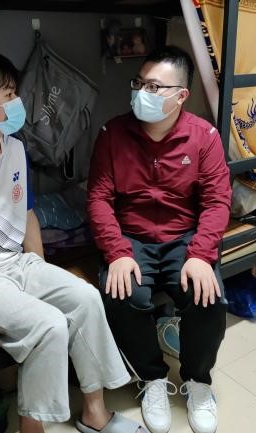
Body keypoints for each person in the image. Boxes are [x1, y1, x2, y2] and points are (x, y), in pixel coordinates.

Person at [0, 50, 147, 433]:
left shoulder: (14, 149)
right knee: (49, 325)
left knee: (86, 298)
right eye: (8, 94)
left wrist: (41, 272)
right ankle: (32, 428)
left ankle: (95, 413)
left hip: (19, 264)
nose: (18, 102)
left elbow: (27, 216)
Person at [87, 46, 232, 433]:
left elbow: (218, 201)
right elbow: (98, 198)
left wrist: (201, 254)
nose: (141, 93)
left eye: (153, 87)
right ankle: (152, 377)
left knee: (208, 297)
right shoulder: (113, 134)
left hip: (184, 237)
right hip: (130, 237)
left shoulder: (204, 137)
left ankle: (198, 380)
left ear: (181, 95)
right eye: (139, 83)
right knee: (122, 295)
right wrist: (116, 252)